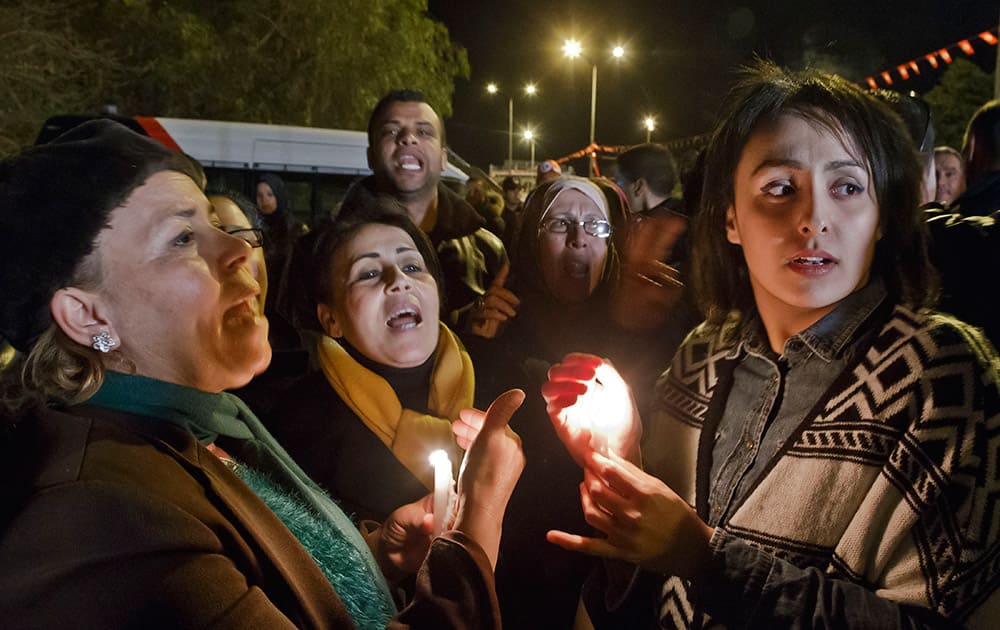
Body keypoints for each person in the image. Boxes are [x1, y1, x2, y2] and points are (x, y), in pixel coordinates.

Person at [0, 119, 525, 628]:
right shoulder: (97, 519)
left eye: (217, 224)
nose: (240, 249)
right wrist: (477, 528)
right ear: (88, 316)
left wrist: (371, 557)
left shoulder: (207, 427)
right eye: (183, 238)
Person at [542, 63, 1000, 628]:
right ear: (730, 217)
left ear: (882, 215)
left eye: (848, 187)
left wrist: (706, 559)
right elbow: (645, 590)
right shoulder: (701, 356)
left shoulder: (943, 377)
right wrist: (621, 463)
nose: (812, 218)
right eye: (779, 187)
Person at [266, 197, 475, 524]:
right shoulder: (298, 426)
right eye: (369, 273)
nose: (399, 281)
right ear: (330, 319)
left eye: (411, 267)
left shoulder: (505, 387)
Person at [344, 90, 507, 324]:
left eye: (423, 132)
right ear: (371, 156)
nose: (408, 138)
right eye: (391, 131)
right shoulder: (325, 253)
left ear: (443, 158)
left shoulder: (489, 250)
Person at [256, 172, 307, 349]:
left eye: (270, 194)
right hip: (259, 305)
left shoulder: (296, 230)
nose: (264, 200)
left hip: (286, 310)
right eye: (260, 195)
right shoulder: (252, 230)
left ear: (279, 196)